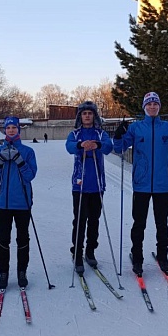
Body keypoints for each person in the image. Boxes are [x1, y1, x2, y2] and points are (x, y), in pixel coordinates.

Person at [113, 92, 168, 276]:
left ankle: (163, 256)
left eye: (156, 104)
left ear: (159, 107)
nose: (153, 107)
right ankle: (137, 257)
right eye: (149, 104)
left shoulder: (167, 127)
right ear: (144, 107)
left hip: (162, 184)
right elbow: (119, 148)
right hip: (141, 184)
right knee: (139, 223)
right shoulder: (136, 128)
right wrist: (118, 135)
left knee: (162, 223)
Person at [0, 116, 38, 289]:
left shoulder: (28, 151)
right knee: (3, 239)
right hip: (3, 203)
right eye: (8, 128)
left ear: (18, 130)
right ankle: (3, 273)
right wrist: (0, 162)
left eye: (14, 128)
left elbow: (30, 175)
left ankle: (22, 272)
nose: (11, 130)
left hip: (23, 202)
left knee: (23, 238)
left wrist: (19, 160)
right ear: (4, 130)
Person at [65, 101, 113, 274]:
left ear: (94, 116)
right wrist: (80, 145)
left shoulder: (100, 134)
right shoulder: (75, 133)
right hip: (79, 185)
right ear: (80, 116)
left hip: (97, 185)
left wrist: (97, 145)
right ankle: (77, 253)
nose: (87, 116)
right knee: (79, 221)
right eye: (84, 113)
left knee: (94, 220)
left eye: (90, 113)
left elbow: (108, 147)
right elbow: (69, 146)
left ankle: (90, 251)